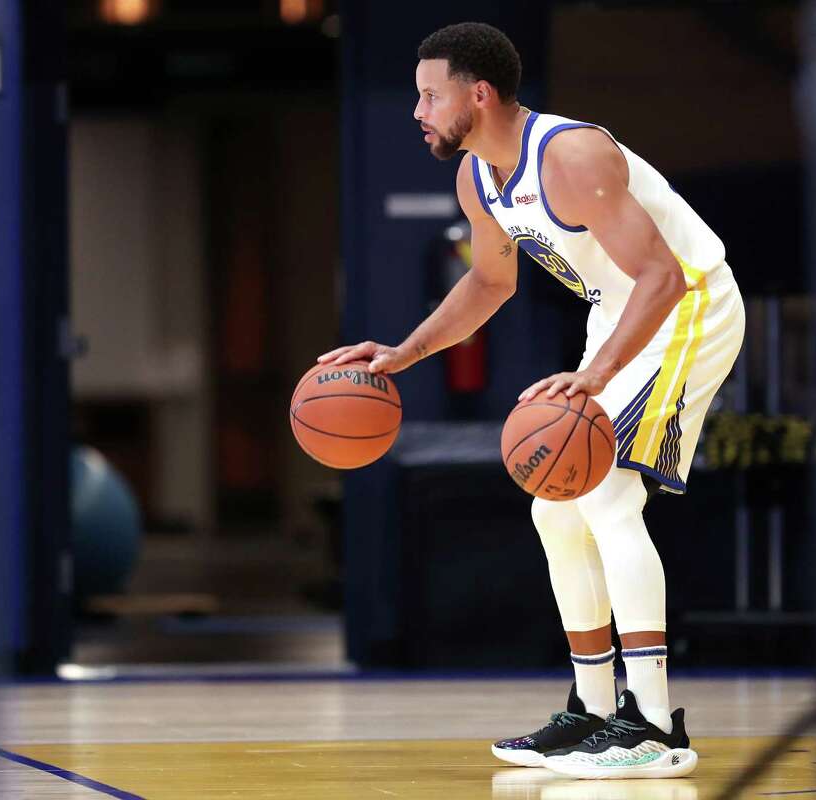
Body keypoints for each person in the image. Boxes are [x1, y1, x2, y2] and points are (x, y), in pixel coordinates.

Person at [318, 21, 744, 780]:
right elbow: (490, 284)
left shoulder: (573, 154)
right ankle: (590, 710)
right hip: (621, 317)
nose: (416, 111)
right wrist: (398, 356)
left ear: (477, 95)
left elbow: (665, 277)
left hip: (689, 305)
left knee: (608, 495)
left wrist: (599, 374)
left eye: (428, 95)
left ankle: (652, 725)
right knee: (555, 504)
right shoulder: (477, 176)